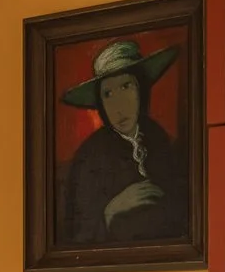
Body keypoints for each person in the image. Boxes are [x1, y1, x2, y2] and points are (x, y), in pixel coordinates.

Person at [59, 37, 186, 247]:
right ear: (100, 102)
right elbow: (76, 234)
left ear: (142, 90)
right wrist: (112, 210)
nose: (118, 105)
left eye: (126, 87)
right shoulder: (89, 157)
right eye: (108, 94)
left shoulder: (160, 140)